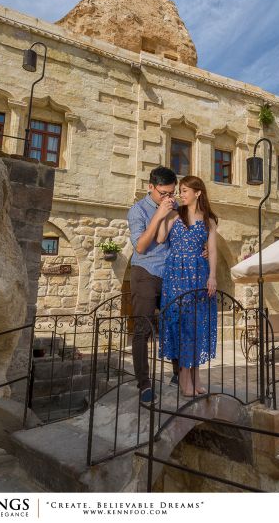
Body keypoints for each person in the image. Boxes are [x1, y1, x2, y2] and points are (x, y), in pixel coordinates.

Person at [156, 175, 218, 397]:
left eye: (184, 190)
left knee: (197, 326)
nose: (180, 194)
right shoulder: (174, 215)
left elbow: (212, 251)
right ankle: (184, 379)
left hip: (199, 275)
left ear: (197, 193)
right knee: (181, 325)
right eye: (180, 190)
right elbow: (161, 239)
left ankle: (196, 377)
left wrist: (212, 276)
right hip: (176, 276)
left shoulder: (209, 220)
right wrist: (162, 215)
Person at [126, 166, 182, 403]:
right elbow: (140, 246)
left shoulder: (175, 207)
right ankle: (144, 384)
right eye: (163, 193)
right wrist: (159, 214)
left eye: (171, 193)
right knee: (143, 329)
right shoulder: (137, 211)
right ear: (150, 187)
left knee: (176, 324)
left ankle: (180, 373)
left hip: (170, 273)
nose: (168, 198)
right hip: (145, 271)